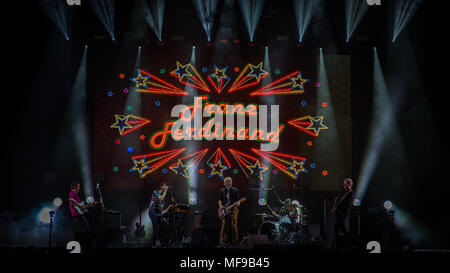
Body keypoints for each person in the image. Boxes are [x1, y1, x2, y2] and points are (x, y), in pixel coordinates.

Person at [332, 178, 354, 251]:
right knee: (342, 229)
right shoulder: (342, 192)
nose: (345, 185)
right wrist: (334, 206)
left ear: (350, 184)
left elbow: (348, 205)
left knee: (337, 228)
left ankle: (341, 246)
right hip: (338, 213)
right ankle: (345, 244)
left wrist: (338, 208)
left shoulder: (350, 193)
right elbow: (337, 199)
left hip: (343, 213)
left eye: (347, 184)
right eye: (344, 184)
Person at [218, 177, 241, 246]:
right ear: (224, 183)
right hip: (224, 210)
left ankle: (235, 242)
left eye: (230, 181)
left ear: (232, 182)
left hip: (233, 209)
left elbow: (238, 201)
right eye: (227, 181)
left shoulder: (235, 190)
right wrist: (221, 207)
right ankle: (222, 242)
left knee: (233, 225)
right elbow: (219, 201)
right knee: (224, 225)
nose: (228, 183)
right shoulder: (222, 190)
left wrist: (238, 203)